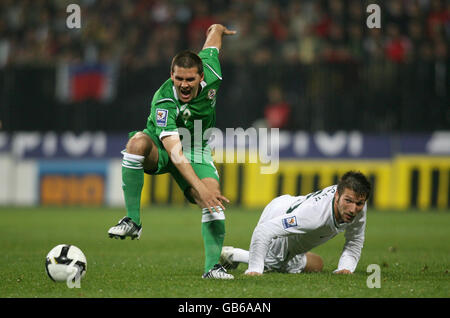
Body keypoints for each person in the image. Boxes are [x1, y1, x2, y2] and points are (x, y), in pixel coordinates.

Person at [108, 24, 237, 280]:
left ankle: (212, 269)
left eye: (190, 79)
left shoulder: (212, 71)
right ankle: (133, 221)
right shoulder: (164, 99)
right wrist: (198, 186)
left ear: (201, 76)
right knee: (136, 143)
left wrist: (218, 28)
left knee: (212, 201)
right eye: (178, 79)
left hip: (196, 148)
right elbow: (175, 153)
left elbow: (212, 44)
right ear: (171, 74)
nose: (184, 85)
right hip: (163, 148)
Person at [219, 171, 371, 276]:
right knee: (270, 265)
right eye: (348, 201)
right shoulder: (314, 215)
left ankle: (285, 258)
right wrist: (254, 269)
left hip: (294, 209)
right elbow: (264, 230)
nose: (353, 209)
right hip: (280, 213)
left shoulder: (356, 204)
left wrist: (345, 268)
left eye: (359, 203)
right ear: (337, 195)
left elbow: (354, 241)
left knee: (317, 265)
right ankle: (232, 254)